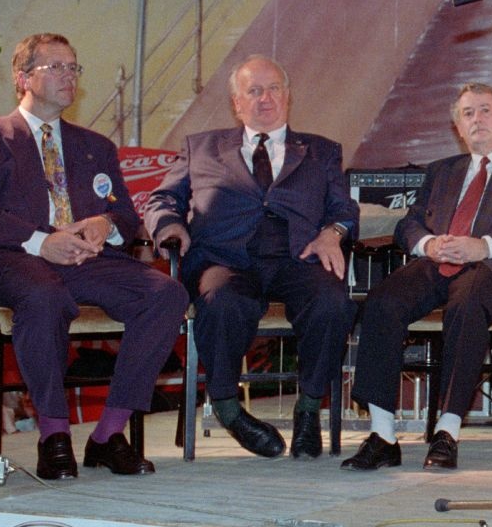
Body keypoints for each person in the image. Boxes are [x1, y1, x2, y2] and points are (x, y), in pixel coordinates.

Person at [0, 33, 188, 479]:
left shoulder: (94, 145)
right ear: (23, 78)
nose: (68, 76)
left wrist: (106, 226)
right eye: (55, 67)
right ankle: (53, 434)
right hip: (6, 262)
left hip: (83, 262)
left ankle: (107, 435)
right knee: (44, 295)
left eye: (73, 67)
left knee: (166, 294)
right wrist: (41, 242)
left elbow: (125, 217)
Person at [143, 55, 357, 460]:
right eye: (253, 91)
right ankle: (228, 408)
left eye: (273, 88)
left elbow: (343, 209)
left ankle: (309, 408)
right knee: (221, 301)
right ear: (236, 104)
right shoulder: (201, 146)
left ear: (288, 97)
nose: (265, 99)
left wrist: (335, 232)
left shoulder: (321, 151)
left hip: (297, 257)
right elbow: (162, 198)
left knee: (333, 303)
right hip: (226, 258)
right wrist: (169, 227)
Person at [342, 82, 492, 471]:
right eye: (467, 113)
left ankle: (447, 430)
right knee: (382, 302)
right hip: (437, 263)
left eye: (485, 110)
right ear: (458, 127)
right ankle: (383, 434)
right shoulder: (442, 172)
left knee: (467, 301)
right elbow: (410, 224)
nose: (477, 119)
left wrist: (484, 245)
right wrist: (428, 244)